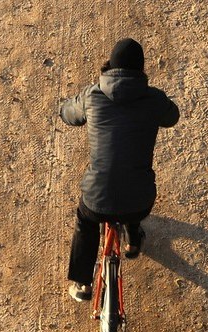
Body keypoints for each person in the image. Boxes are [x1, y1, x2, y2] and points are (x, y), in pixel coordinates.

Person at [58, 38, 179, 302]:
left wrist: (63, 107)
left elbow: (69, 114)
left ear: (110, 66)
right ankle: (133, 242)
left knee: (86, 220)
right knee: (134, 189)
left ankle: (81, 284)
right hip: (141, 200)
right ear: (141, 70)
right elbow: (173, 117)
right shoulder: (154, 98)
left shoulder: (92, 95)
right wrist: (158, 104)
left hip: (97, 198)